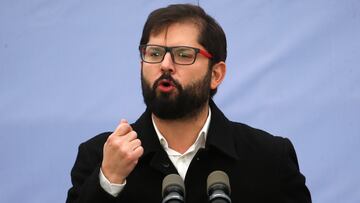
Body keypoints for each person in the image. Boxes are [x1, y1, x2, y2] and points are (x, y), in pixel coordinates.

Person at [66, 4, 311, 203]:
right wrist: (108, 181)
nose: (165, 64)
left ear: (216, 74)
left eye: (184, 54)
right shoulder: (101, 157)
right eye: (154, 53)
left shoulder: (267, 158)